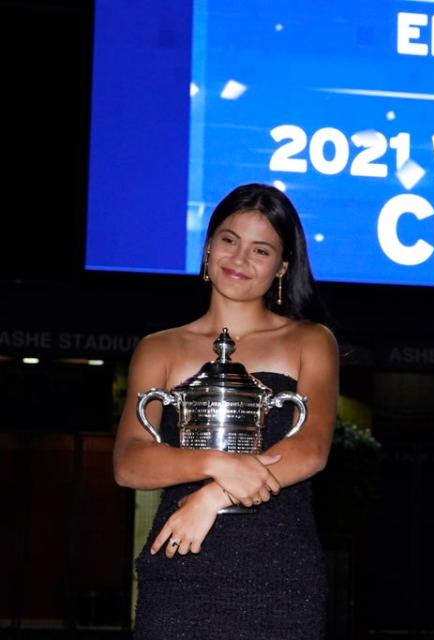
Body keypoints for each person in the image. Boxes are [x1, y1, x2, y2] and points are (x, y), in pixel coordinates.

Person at [113, 183, 338, 639]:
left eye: (261, 250)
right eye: (229, 240)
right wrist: (217, 464)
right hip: (180, 564)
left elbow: (311, 448)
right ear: (208, 245)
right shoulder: (160, 347)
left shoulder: (311, 340)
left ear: (282, 267)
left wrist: (212, 496)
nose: (239, 259)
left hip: (279, 574)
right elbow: (129, 462)